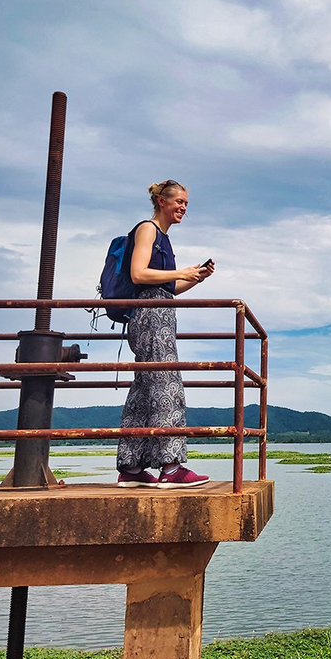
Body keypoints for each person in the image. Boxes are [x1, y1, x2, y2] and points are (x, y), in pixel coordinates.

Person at [117, 180, 215, 489]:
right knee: (167, 385)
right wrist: (179, 272)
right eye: (179, 202)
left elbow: (168, 287)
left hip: (157, 312)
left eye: (187, 203)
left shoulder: (164, 239)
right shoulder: (147, 229)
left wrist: (195, 278)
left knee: (144, 390)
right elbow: (139, 274)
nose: (183, 207)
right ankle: (171, 468)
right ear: (162, 201)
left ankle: (131, 468)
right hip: (150, 316)